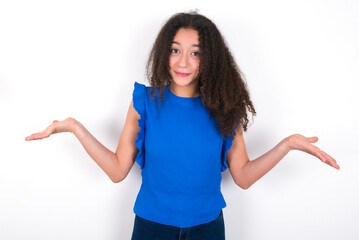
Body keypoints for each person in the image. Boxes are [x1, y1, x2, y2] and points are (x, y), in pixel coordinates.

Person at [25, 11, 340, 240]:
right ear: (165, 53)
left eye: (196, 53)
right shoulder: (144, 102)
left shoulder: (224, 107)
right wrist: (76, 128)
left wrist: (287, 145)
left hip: (208, 229)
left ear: (210, 60)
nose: (183, 62)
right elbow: (118, 170)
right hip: (151, 228)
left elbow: (242, 177)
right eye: (175, 50)